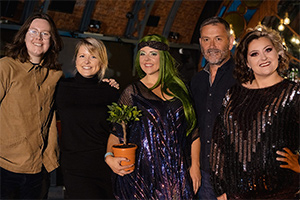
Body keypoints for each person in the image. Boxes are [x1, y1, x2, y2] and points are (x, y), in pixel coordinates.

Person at [105, 34, 201, 199]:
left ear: (163, 57)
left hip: (178, 173)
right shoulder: (132, 92)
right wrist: (109, 157)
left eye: (153, 53)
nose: (146, 59)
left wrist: (195, 166)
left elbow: (193, 131)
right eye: (142, 54)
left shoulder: (181, 89)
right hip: (143, 174)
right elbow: (116, 131)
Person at [210, 26, 300, 199]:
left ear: (279, 53)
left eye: (268, 50)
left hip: (282, 193)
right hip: (236, 194)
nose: (263, 57)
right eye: (254, 54)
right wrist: (219, 188)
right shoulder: (233, 94)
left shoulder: (294, 93)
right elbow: (219, 141)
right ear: (246, 62)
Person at [0, 13, 63, 199]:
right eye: (33, 31)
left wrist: (105, 83)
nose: (38, 37)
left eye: (45, 34)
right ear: (24, 35)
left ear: (52, 40)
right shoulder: (6, 67)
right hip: (5, 167)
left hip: (39, 169)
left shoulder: (55, 75)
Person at [55, 37, 119, 199]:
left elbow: (118, 129)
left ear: (102, 62)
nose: (87, 61)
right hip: (74, 166)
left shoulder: (110, 91)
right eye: (82, 56)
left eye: (93, 56)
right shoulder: (61, 88)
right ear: (75, 59)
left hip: (104, 164)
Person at [190, 16, 236, 199]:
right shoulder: (197, 81)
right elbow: (194, 126)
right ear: (201, 43)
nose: (212, 45)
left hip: (233, 175)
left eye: (218, 38)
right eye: (206, 40)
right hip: (203, 174)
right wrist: (194, 165)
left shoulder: (244, 77)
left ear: (230, 41)